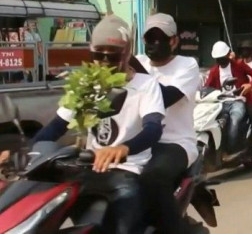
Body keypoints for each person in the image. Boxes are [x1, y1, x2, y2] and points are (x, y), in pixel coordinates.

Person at [33, 15, 165, 234]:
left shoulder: (146, 85)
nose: (103, 62)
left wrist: (123, 148)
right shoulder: (86, 83)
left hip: (128, 170)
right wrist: (26, 153)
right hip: (90, 168)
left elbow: (153, 129)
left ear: (127, 53)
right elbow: (56, 127)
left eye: (112, 57)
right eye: (98, 55)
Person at [136, 13, 201, 234]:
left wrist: (130, 68)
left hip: (175, 143)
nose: (154, 44)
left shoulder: (187, 65)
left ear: (174, 40)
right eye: (149, 38)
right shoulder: (137, 62)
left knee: (152, 178)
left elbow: (164, 97)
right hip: (138, 140)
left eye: (160, 38)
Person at [204, 41, 252, 156]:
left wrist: (250, 85)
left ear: (228, 55)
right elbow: (207, 87)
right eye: (218, 58)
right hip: (221, 102)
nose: (220, 60)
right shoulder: (214, 71)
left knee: (237, 118)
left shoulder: (239, 65)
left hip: (239, 100)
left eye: (222, 57)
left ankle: (235, 147)